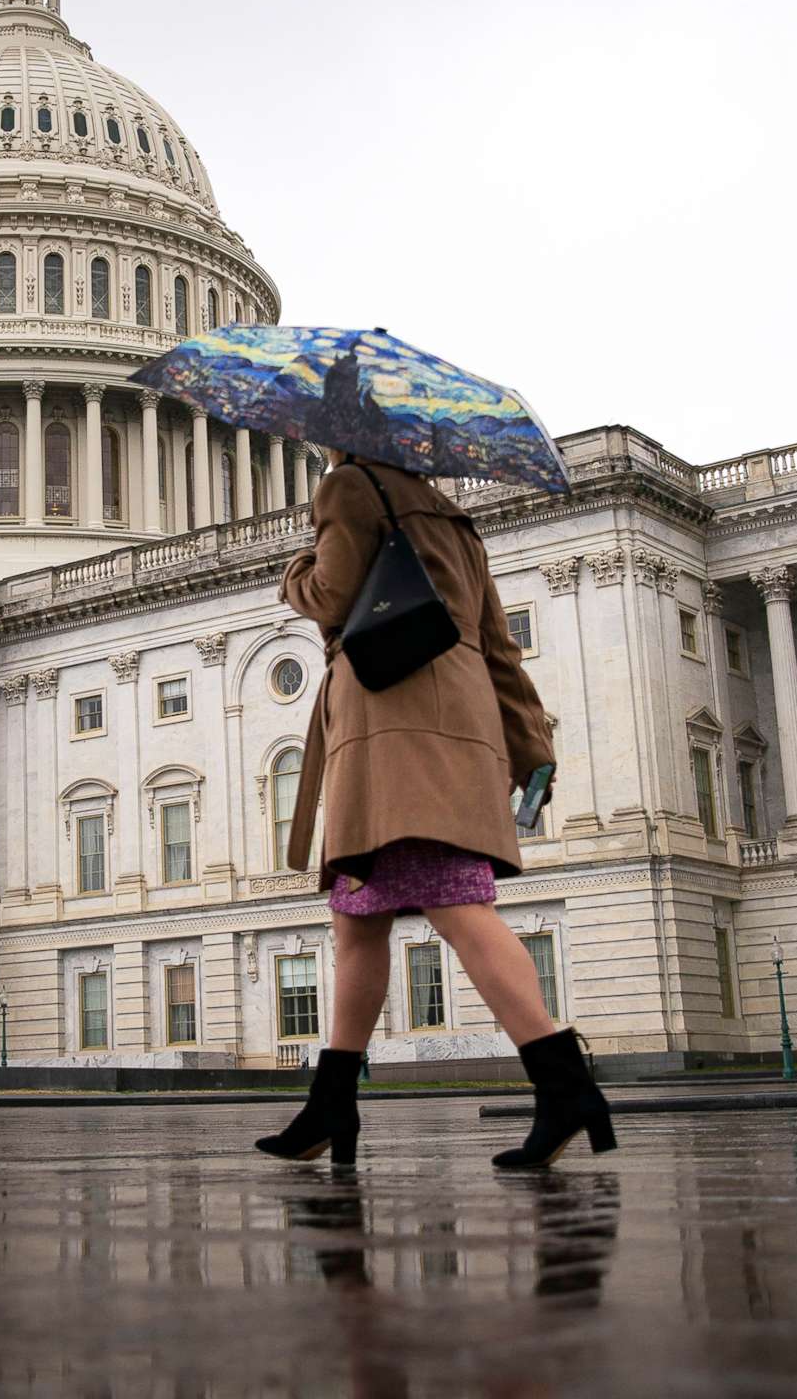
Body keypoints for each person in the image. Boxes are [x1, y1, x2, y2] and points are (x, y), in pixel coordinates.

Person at [256, 450, 615, 1170]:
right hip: (454, 723)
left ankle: (565, 1083)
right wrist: (529, 743)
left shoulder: (348, 487)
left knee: (457, 905)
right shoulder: (453, 518)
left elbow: (330, 594)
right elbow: (499, 650)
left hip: (395, 733)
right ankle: (333, 1104)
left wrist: (294, 573)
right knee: (357, 916)